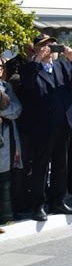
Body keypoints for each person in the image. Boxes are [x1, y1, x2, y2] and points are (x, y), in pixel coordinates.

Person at [20, 34, 72, 221]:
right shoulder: (30, 67)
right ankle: (38, 204)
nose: (50, 48)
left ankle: (57, 200)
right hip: (41, 125)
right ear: (36, 48)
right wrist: (37, 61)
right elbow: (27, 86)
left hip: (62, 123)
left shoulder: (62, 66)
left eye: (52, 45)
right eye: (45, 45)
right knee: (40, 166)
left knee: (60, 165)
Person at [0, 55, 22, 224]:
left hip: (7, 138)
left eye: (1, 66)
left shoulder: (7, 86)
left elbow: (17, 109)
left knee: (7, 176)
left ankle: (7, 214)